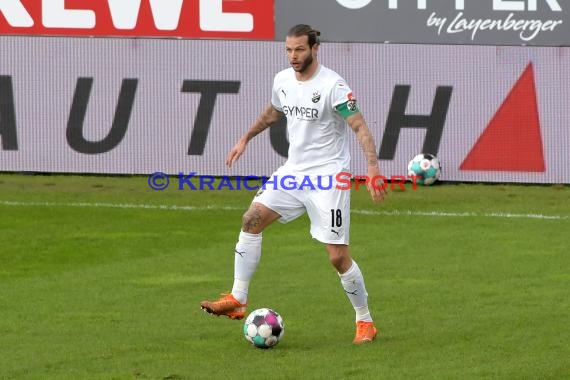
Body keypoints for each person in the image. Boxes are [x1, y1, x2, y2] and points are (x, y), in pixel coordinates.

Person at [200, 24, 387, 344]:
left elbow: (359, 126)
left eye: (299, 49)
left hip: (329, 178)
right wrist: (245, 137)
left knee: (337, 257)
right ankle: (238, 298)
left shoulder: (333, 86)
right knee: (251, 219)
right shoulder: (283, 80)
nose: (293, 56)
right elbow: (273, 112)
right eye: (288, 50)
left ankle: (365, 321)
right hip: (293, 172)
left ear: (315, 48)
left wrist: (372, 166)